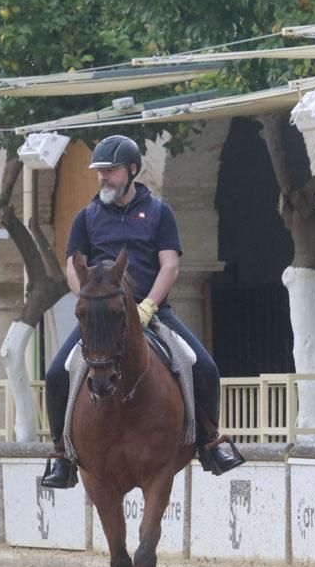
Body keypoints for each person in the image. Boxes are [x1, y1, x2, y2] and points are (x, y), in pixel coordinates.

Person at [40, 134, 244, 489]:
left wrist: (148, 304)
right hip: (103, 317)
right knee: (57, 373)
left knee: (205, 368)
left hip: (154, 311)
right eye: (99, 171)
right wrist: (91, 300)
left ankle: (210, 441)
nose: (103, 177)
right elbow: (73, 267)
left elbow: (170, 266)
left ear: (132, 170)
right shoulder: (86, 217)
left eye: (111, 170)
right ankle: (61, 453)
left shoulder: (159, 212)